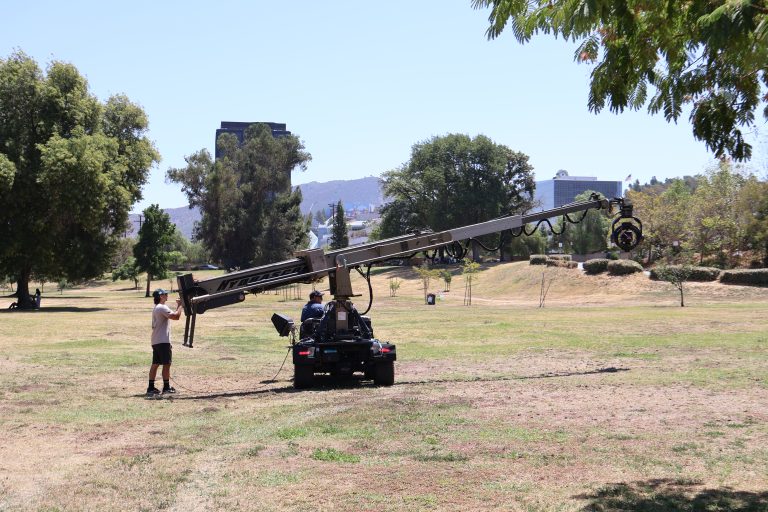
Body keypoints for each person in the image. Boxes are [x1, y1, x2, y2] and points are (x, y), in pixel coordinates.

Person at [147, 288, 182, 397]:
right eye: (165, 294)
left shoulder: (157, 307)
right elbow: (176, 317)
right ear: (161, 296)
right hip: (162, 341)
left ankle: (151, 388)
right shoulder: (162, 307)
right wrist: (181, 305)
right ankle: (166, 387)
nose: (167, 295)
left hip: (156, 340)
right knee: (166, 364)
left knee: (155, 364)